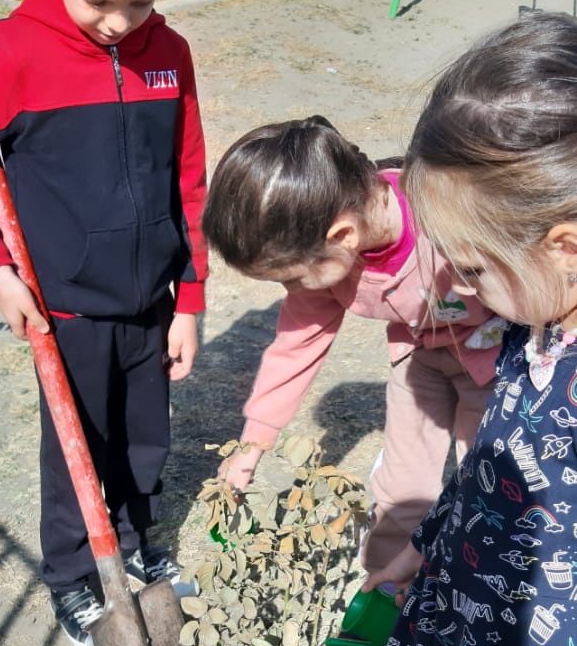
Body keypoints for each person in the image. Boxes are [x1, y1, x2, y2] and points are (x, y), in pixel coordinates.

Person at [318, 10, 577, 646]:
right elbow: (488, 464)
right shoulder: (532, 328)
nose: (458, 288)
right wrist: (430, 539)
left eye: (472, 266)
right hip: (453, 624)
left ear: (564, 244)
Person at [0, 0, 207, 646]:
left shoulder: (170, 54)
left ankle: (134, 543)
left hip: (152, 301)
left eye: (141, 1)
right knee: (76, 451)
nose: (119, 22)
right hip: (66, 309)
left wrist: (189, 299)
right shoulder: (12, 54)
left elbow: (189, 181)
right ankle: (71, 575)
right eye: (97, 0)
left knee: (145, 437)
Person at [201, 117, 505, 586]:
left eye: (291, 278)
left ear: (342, 237)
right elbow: (296, 345)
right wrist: (251, 445)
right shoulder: (329, 244)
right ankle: (385, 591)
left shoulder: (448, 221)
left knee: (484, 485)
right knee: (401, 487)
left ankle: (477, 596)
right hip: (419, 356)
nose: (291, 291)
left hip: (498, 363)